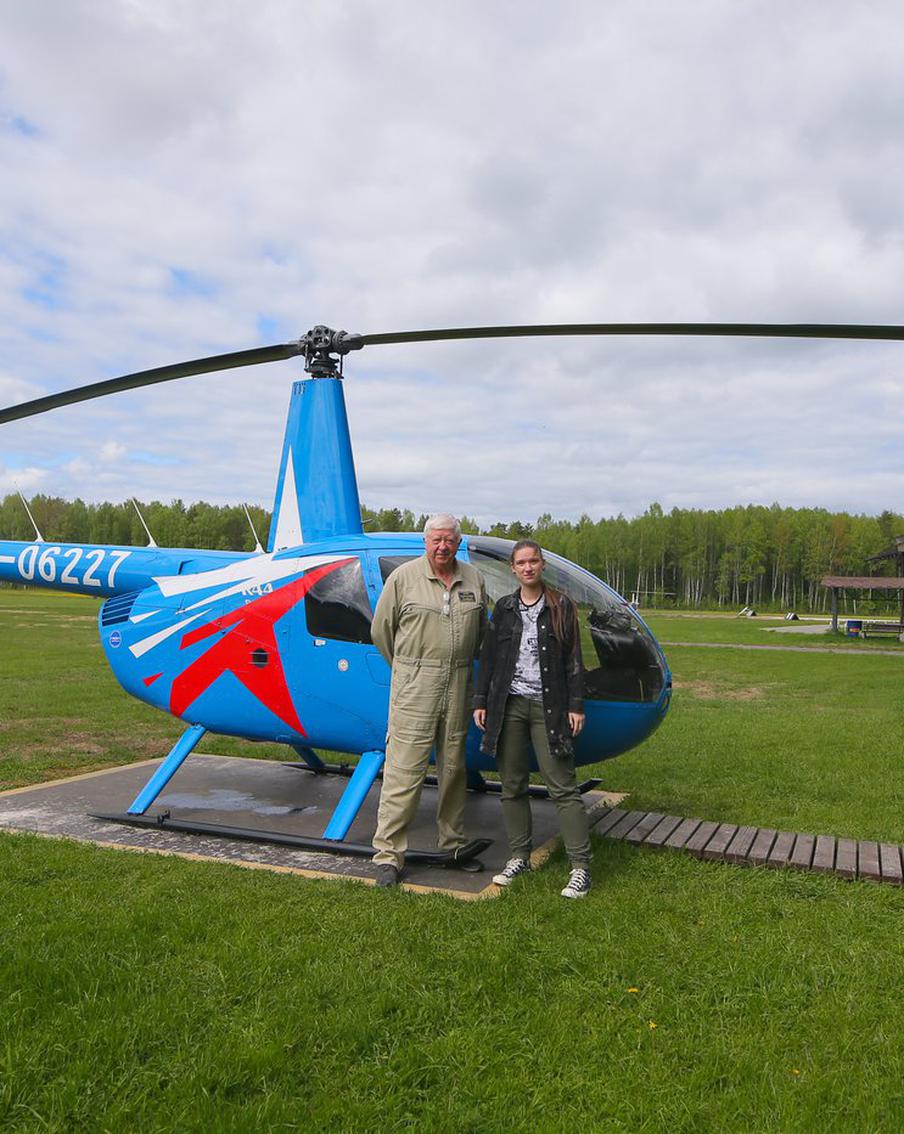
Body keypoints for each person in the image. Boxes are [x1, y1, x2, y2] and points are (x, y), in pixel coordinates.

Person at [371, 514, 488, 887]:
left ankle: (452, 844)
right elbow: (381, 631)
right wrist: (410, 669)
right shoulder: (403, 578)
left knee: (453, 768)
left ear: (458, 543)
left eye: (449, 540)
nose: (442, 546)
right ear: (425, 542)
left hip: (458, 682)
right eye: (436, 540)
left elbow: (480, 632)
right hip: (415, 684)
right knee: (404, 771)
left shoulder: (474, 579)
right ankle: (388, 856)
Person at [473, 539, 592, 899]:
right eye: (521, 562)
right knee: (512, 784)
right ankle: (519, 857)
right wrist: (481, 701)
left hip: (548, 707)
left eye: (533, 561)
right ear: (513, 568)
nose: (528, 567)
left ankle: (580, 867)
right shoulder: (505, 608)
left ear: (542, 565)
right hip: (509, 705)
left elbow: (574, 659)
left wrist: (576, 705)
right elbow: (489, 659)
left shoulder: (560, 606)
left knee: (563, 787)